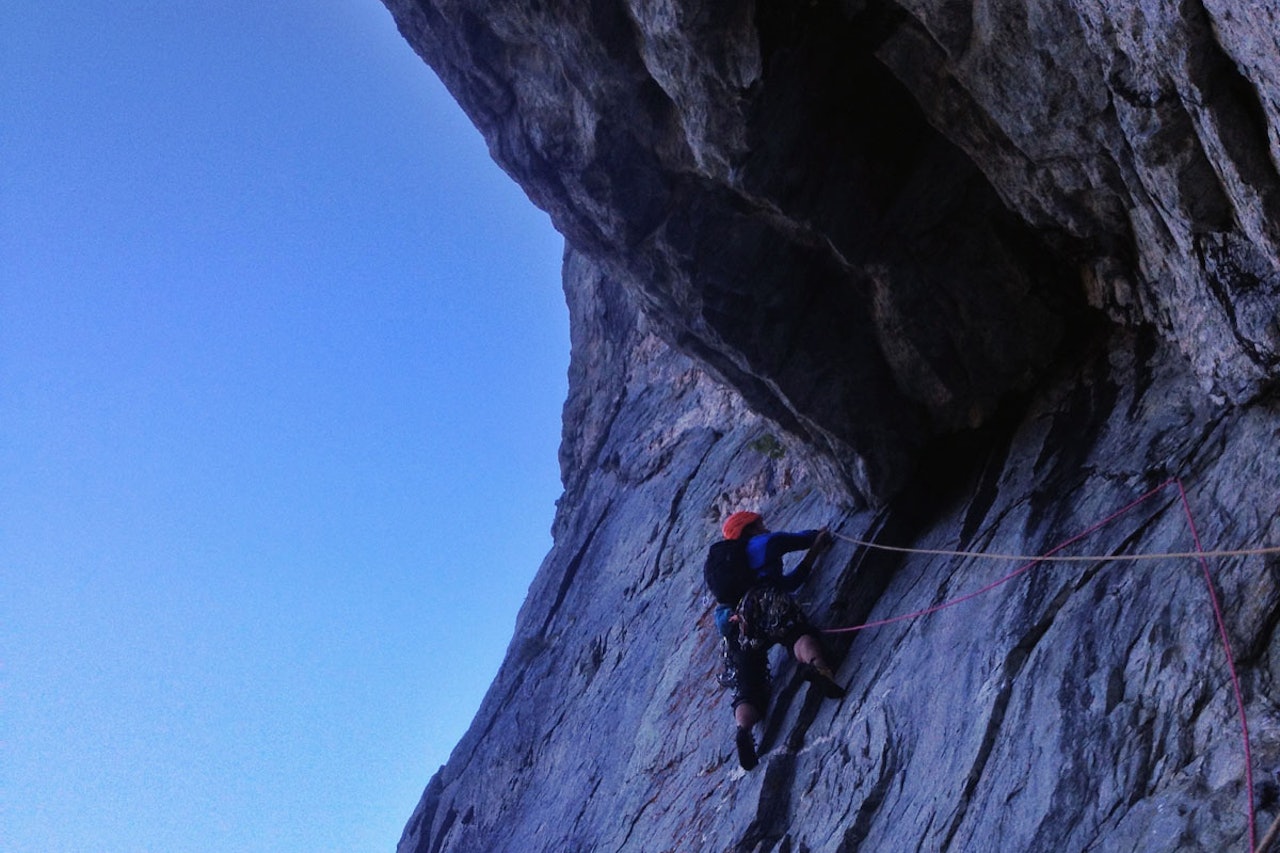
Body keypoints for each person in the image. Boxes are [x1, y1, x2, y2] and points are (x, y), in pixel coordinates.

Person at [711, 510, 844, 771]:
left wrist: (813, 554)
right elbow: (788, 541)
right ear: (749, 529)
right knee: (797, 634)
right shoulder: (758, 544)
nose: (765, 527)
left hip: (741, 623)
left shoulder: (726, 571)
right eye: (760, 524)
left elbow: (790, 581)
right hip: (767, 601)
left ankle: (744, 728)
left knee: (748, 685)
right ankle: (819, 667)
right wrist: (816, 537)